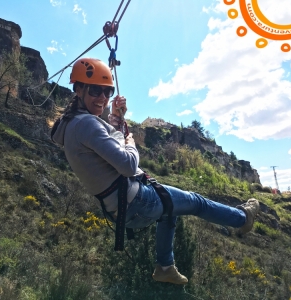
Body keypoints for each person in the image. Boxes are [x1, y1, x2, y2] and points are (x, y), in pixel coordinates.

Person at [51, 57, 260, 285]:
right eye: (95, 90)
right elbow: (128, 164)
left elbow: (103, 142)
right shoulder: (86, 124)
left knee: (170, 210)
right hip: (137, 200)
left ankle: (165, 267)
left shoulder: (72, 125)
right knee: (196, 202)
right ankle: (243, 218)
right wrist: (130, 141)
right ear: (79, 89)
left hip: (120, 209)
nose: (102, 97)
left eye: (107, 91)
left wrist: (115, 120)